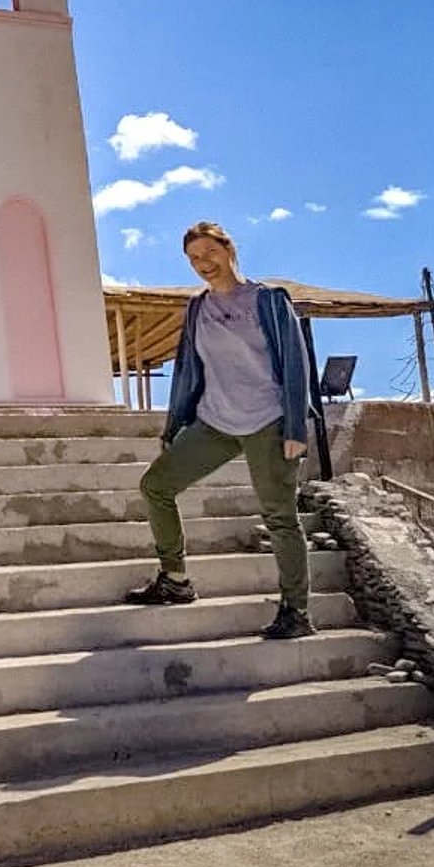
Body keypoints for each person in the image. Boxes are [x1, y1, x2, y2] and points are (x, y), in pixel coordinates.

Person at [124, 221, 317, 639]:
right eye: (194, 258)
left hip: (267, 420)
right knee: (155, 486)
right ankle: (175, 580)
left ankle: (296, 611)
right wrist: (175, 424)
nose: (203, 264)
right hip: (213, 421)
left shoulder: (267, 300)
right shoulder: (197, 308)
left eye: (209, 252)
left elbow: (296, 364)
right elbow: (188, 369)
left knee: (280, 516)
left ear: (228, 248)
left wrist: (296, 427)